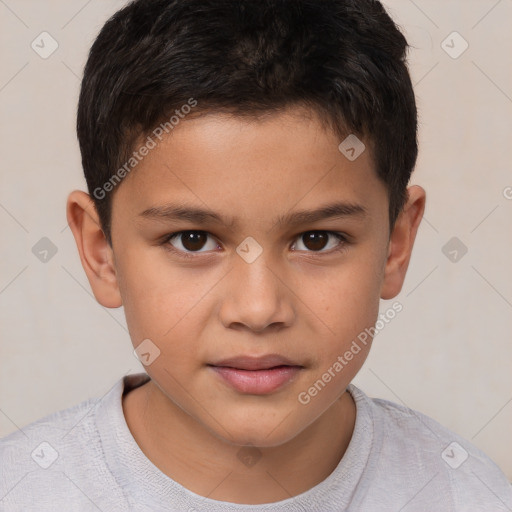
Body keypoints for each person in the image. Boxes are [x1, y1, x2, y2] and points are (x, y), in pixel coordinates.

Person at [1, 0, 511, 510]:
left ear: (395, 246)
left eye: (317, 239)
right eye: (193, 240)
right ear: (101, 253)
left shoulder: (467, 495)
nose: (258, 309)